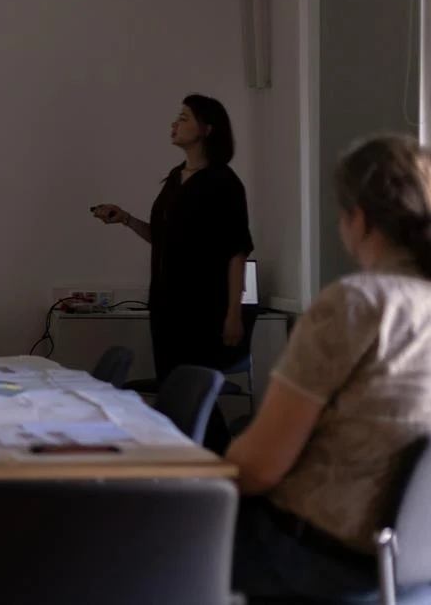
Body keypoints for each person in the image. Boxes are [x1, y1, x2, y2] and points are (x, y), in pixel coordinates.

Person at [226, 133, 431, 602]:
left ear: (357, 219)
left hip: (316, 560)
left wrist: (203, 471)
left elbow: (259, 468)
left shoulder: (358, 305)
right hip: (411, 574)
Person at [92, 94, 253, 451]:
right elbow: (163, 240)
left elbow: (235, 252)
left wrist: (233, 314)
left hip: (203, 310)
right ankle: (193, 464)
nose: (173, 124)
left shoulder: (223, 183)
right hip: (166, 307)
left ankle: (222, 466)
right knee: (173, 390)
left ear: (206, 129)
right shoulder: (174, 180)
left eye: (183, 118)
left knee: (195, 396)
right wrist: (128, 220)